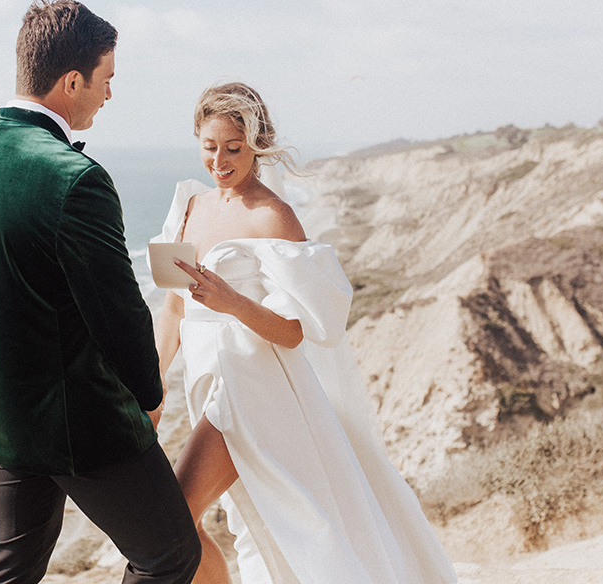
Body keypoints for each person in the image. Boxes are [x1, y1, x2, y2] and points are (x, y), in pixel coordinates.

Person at [0, 0, 201, 584]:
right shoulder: (74, 178)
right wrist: (148, 396)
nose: (110, 94)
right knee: (169, 554)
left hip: (0, 410)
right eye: (106, 80)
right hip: (82, 423)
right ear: (72, 80)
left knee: (10, 570)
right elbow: (118, 311)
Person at [151, 82, 457, 583]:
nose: (221, 161)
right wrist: (154, 382)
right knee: (236, 523)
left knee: (173, 518)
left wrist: (233, 302)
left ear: (258, 144)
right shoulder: (188, 206)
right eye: (210, 147)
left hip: (252, 390)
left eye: (235, 147)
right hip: (204, 386)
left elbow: (296, 332)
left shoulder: (273, 216)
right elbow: (171, 309)